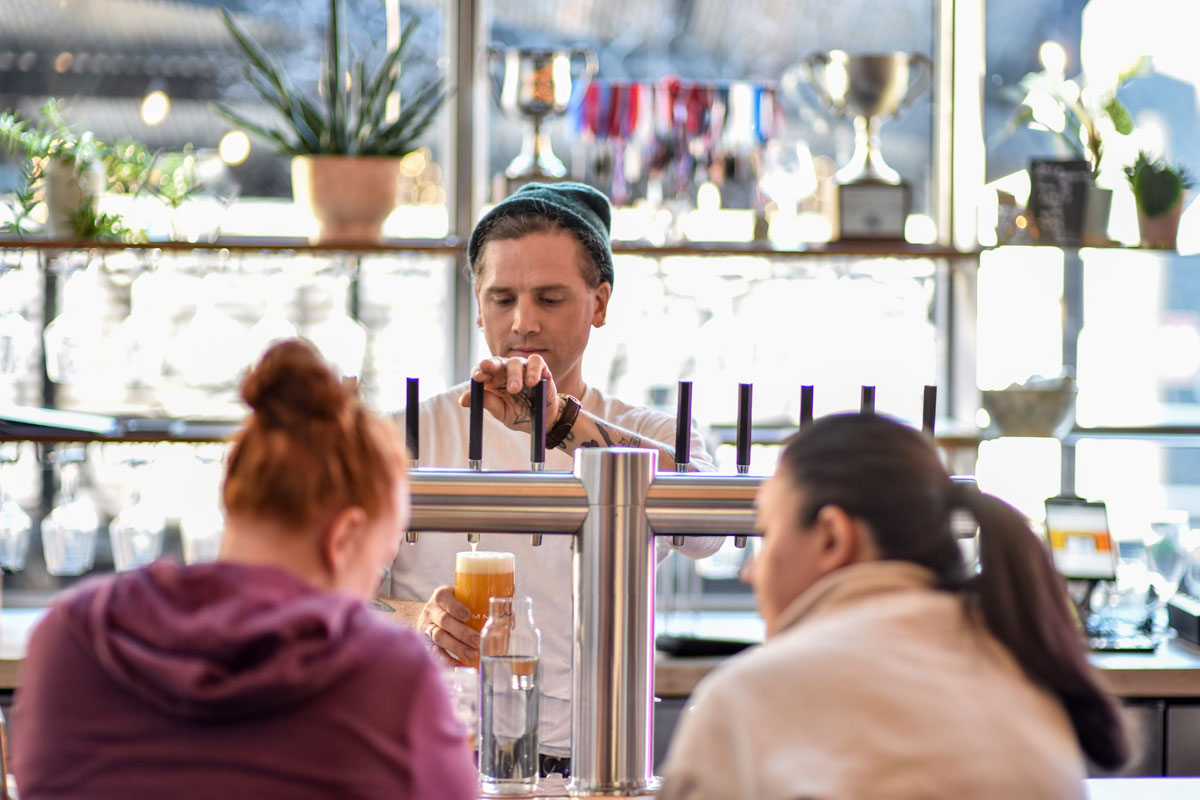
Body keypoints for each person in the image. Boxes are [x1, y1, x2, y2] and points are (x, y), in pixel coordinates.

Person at [12, 340, 477, 800]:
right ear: (344, 538)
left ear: (234, 494)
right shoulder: (388, 678)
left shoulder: (70, 637)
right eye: (379, 560)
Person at [382, 182, 721, 769]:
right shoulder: (403, 436)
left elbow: (707, 525)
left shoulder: (648, 432)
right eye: (503, 297)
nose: (523, 322)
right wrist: (418, 619)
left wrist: (563, 425)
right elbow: (328, 597)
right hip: (429, 757)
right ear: (478, 302)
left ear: (600, 303)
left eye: (550, 298)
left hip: (597, 759)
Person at [658, 414, 1129, 800]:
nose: (750, 574)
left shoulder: (747, 700)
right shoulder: (1025, 675)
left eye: (769, 532)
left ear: (832, 537)